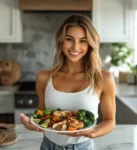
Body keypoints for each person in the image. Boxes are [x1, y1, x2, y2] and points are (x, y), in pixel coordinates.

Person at [20, 14, 116, 150]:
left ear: (90, 43)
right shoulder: (43, 77)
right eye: (69, 39)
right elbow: (42, 116)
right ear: (61, 41)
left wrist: (93, 132)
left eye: (83, 40)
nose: (75, 47)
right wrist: (32, 123)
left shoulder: (103, 79)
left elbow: (110, 121)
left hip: (83, 146)